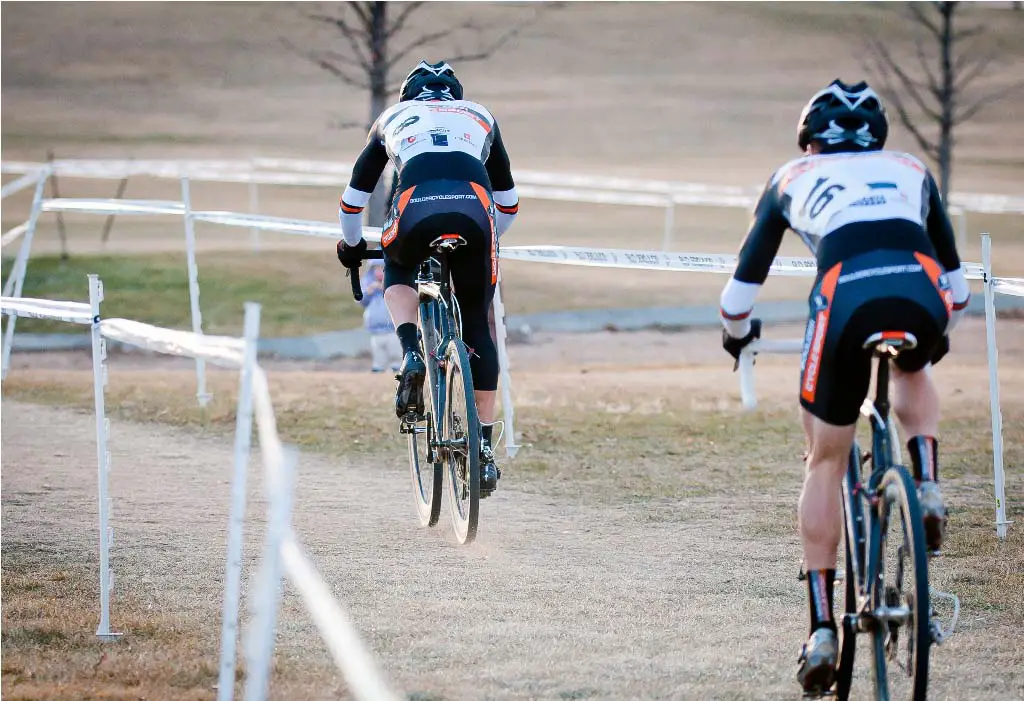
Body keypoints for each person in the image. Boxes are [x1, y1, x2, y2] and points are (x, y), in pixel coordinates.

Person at [718, 79, 970, 696]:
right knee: (916, 368)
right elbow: (959, 291)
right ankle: (928, 486)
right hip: (921, 286)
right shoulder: (911, 168)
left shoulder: (790, 178)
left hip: (844, 296)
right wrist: (930, 335)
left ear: (810, 144)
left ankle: (823, 630)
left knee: (825, 461)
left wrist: (738, 335)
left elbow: (737, 296)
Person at [335, 60, 519, 496]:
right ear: (455, 96)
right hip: (477, 211)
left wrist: (353, 246)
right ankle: (484, 450)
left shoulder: (391, 118)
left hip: (415, 204)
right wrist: (489, 240)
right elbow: (508, 206)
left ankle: (410, 351)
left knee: (398, 267)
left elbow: (352, 200)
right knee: (476, 323)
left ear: (408, 96)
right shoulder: (480, 115)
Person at [359, 259, 402, 373]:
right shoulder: (369, 284)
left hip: (392, 330)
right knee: (379, 356)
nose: (379, 272)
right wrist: (369, 290)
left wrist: (384, 287)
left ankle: (397, 370)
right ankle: (378, 370)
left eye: (382, 268)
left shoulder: (394, 284)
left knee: (396, 354)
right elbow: (361, 300)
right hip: (375, 330)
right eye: (376, 269)